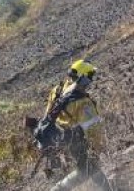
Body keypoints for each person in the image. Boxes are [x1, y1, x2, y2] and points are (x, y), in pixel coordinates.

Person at [40, 59, 111, 191]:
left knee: (88, 167)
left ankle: (109, 188)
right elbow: (93, 129)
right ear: (82, 78)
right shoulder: (82, 102)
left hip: (58, 138)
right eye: (89, 78)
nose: (90, 81)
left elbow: (48, 114)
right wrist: (99, 147)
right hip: (76, 140)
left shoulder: (57, 90)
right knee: (87, 169)